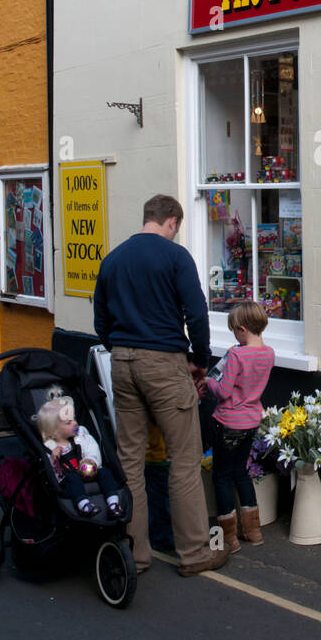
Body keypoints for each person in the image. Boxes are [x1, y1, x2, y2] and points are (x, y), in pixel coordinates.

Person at [93, 194, 226, 577]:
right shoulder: (175, 256)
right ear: (172, 221)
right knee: (184, 461)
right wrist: (199, 360)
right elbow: (197, 314)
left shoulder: (113, 258)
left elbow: (101, 320)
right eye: (177, 228)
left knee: (130, 462)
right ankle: (195, 554)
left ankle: (135, 554)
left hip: (121, 361)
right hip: (165, 363)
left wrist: (119, 347)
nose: (175, 233)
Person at [203, 301, 275, 552]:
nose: (234, 334)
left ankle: (229, 538)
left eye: (234, 329)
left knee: (221, 476)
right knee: (241, 472)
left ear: (242, 329)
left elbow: (223, 391)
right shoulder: (268, 353)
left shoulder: (236, 355)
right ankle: (253, 531)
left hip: (228, 421)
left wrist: (207, 382)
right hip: (251, 421)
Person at [37, 396, 124, 519]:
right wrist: (53, 459)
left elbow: (92, 448)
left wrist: (90, 460)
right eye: (69, 422)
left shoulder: (80, 436)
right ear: (54, 431)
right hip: (69, 478)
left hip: (89, 470)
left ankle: (113, 503)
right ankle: (84, 505)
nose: (75, 423)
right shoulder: (49, 448)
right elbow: (52, 472)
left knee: (105, 473)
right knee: (72, 478)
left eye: (74, 419)